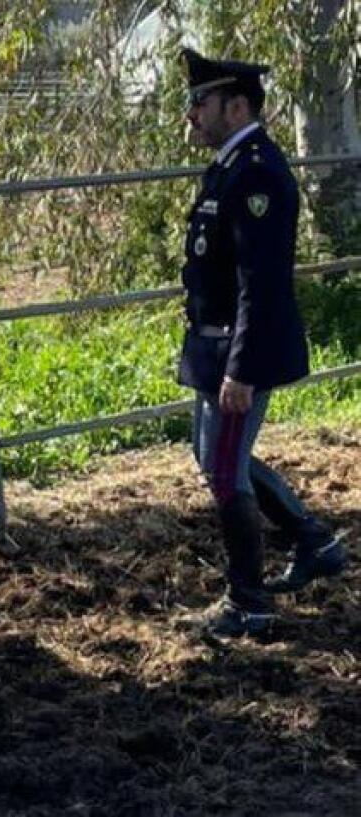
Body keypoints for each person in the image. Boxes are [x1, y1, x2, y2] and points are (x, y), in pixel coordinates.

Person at [177, 47, 347, 638]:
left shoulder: (256, 173)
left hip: (234, 352)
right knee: (217, 460)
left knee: (225, 474)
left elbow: (262, 281)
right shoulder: (230, 165)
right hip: (214, 346)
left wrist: (240, 371)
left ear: (238, 105)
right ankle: (313, 540)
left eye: (201, 101)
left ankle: (248, 602)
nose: (192, 114)